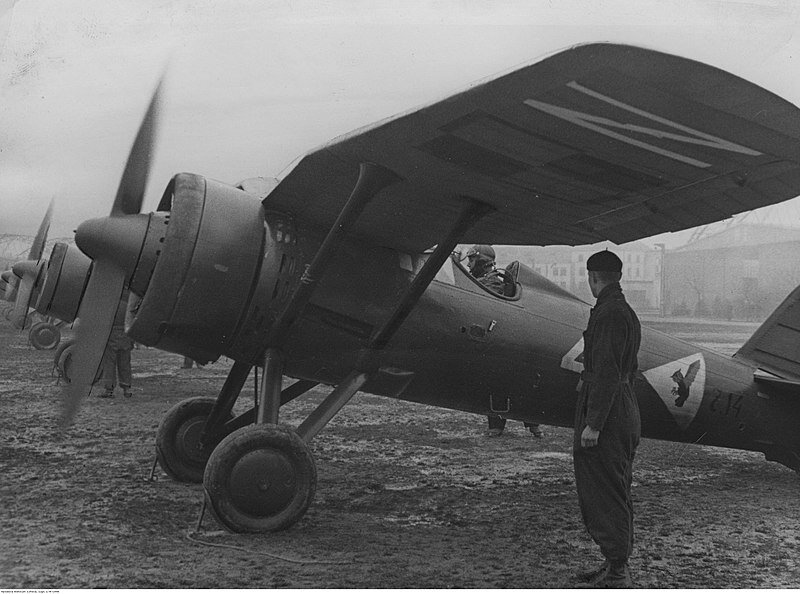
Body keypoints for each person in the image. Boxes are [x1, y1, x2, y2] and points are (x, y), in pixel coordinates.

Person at [573, 249, 641, 588]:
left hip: (609, 412)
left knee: (604, 490)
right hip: (621, 405)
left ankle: (617, 571)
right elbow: (624, 369)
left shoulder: (609, 313)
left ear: (593, 277)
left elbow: (610, 371)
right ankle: (614, 561)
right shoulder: (622, 310)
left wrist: (595, 423)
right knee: (616, 486)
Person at [99, 291, 138, 399]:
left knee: (109, 364)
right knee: (125, 363)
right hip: (126, 336)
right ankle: (127, 388)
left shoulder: (109, 306)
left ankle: (109, 389)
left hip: (111, 336)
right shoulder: (127, 306)